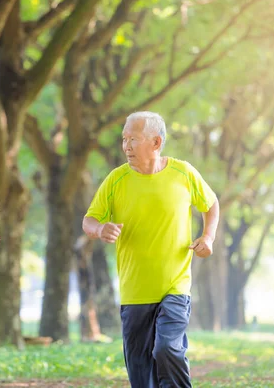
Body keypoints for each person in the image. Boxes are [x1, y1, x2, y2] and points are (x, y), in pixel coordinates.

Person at [83, 111, 219, 388]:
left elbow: (211, 204)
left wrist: (208, 237)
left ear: (156, 143)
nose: (126, 146)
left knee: (167, 349)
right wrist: (99, 229)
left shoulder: (183, 173)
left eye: (133, 139)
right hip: (134, 291)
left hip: (175, 286)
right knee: (140, 371)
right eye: (124, 139)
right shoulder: (116, 179)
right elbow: (89, 219)